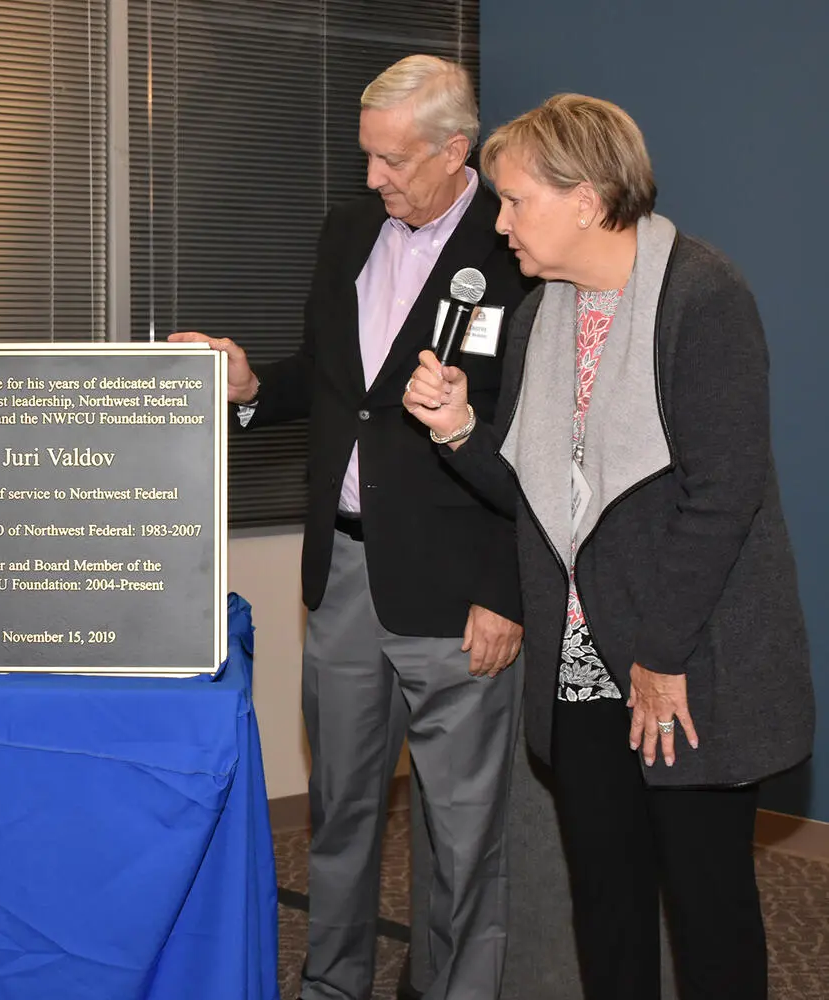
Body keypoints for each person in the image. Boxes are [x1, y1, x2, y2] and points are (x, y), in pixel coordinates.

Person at [404, 93, 814, 1000]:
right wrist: (459, 428)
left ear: (586, 199)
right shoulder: (540, 313)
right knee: (609, 907)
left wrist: (661, 658)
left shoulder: (704, 297)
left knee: (709, 914)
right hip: (583, 669)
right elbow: (537, 501)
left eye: (513, 200)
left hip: (686, 666)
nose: (499, 221)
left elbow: (724, 498)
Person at [173, 54, 530, 1000]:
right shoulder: (348, 231)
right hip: (341, 576)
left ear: (457, 152)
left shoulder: (517, 248)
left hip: (460, 594)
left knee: (462, 832)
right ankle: (335, 982)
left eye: (393, 161)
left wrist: (507, 587)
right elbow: (340, 389)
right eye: (367, 158)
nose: (372, 179)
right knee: (339, 811)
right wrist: (252, 388)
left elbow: (534, 442)